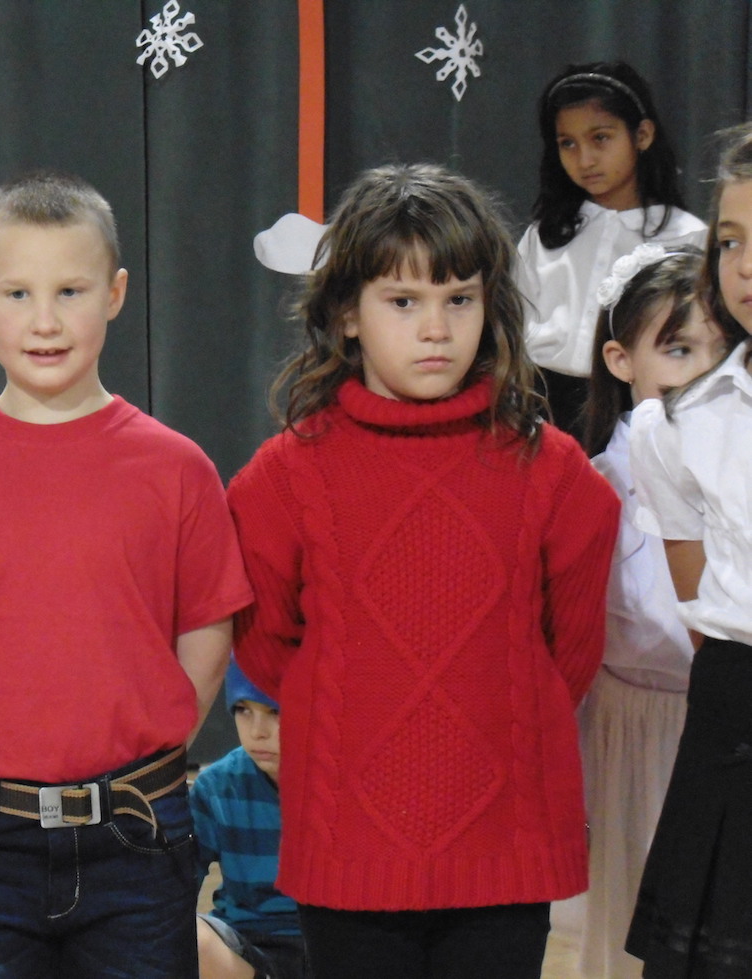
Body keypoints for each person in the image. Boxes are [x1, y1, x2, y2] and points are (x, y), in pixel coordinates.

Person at [227, 163, 620, 979]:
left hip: (504, 853)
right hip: (349, 852)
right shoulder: (284, 477)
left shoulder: (555, 474)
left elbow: (569, 656)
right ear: (347, 314)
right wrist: (354, 705)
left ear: (490, 306)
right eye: (403, 301)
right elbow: (265, 646)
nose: (435, 327)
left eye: (459, 299)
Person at [0, 170, 254, 978]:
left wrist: (157, 738)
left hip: (138, 828)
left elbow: (207, 627)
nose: (44, 321)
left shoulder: (176, 467)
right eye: (17, 293)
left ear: (115, 293)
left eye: (70, 291)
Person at [576, 244, 732, 979]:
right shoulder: (593, 489)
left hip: (725, 720)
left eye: (721, 349)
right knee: (636, 926)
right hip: (631, 732)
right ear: (621, 359)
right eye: (677, 349)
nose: (703, 372)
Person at [625, 123, 752, 979]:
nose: (743, 266)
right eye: (730, 241)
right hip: (734, 709)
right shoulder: (679, 422)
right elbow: (697, 598)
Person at [517, 61, 706, 435]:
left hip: (636, 408)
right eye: (568, 143)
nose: (584, 159)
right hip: (539, 407)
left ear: (642, 135)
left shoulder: (688, 238)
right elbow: (512, 324)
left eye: (600, 138)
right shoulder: (546, 234)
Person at [193, 658, 307, 979]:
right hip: (248, 948)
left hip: (336, 944)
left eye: (275, 711)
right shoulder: (216, 786)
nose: (257, 732)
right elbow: (173, 898)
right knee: (187, 937)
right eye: (243, 710)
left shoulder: (343, 784)